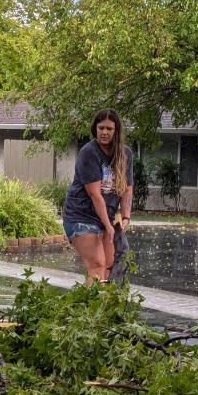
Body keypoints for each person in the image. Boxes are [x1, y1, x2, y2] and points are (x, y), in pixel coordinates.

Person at [62, 109, 134, 284]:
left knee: (110, 268)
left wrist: (125, 217)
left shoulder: (125, 154)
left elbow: (127, 190)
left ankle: (104, 309)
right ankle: (87, 310)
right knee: (97, 265)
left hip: (105, 219)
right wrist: (109, 227)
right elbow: (95, 194)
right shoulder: (89, 152)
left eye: (109, 129)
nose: (104, 132)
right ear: (95, 129)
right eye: (101, 128)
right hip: (81, 216)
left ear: (116, 131)